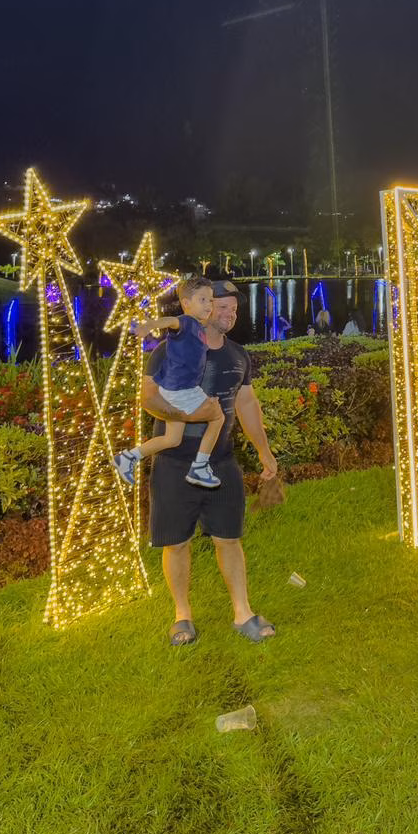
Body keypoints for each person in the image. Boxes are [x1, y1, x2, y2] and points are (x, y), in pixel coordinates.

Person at [143, 279, 279, 646]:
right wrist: (189, 417)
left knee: (229, 539)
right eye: (221, 306)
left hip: (221, 463)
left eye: (234, 308)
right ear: (200, 306)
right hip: (174, 463)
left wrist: (264, 451)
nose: (229, 313)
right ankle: (182, 616)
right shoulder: (171, 350)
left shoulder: (238, 356)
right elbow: (148, 398)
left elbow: (247, 405)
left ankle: (242, 613)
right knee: (176, 543)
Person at [113, 276, 225, 490]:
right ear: (186, 303)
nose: (209, 305)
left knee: (172, 439)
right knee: (218, 416)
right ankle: (200, 467)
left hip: (178, 388)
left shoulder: (198, 329)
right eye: (203, 300)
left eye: (210, 301)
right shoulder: (187, 322)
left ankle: (128, 457)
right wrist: (151, 325)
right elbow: (170, 322)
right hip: (180, 390)